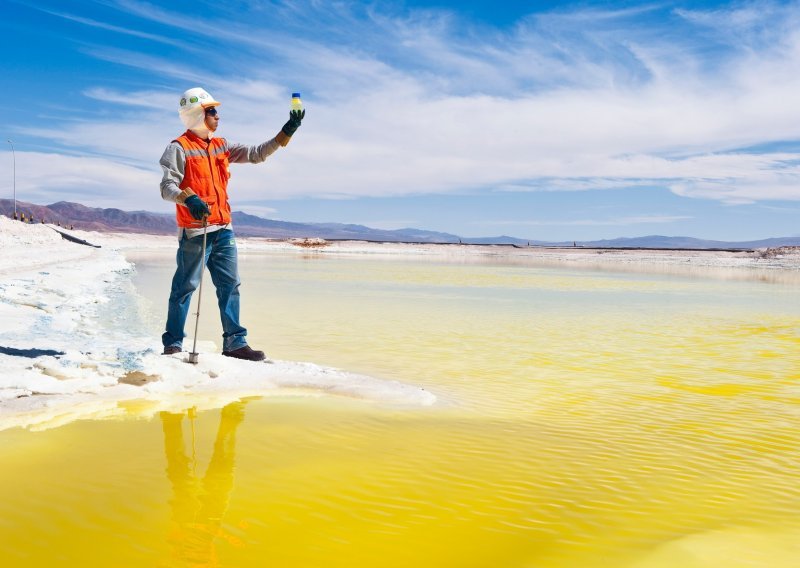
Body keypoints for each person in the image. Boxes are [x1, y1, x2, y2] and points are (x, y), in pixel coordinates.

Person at [159, 87, 304, 361]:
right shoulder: (178, 148)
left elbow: (257, 153)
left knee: (230, 286)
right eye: (211, 111)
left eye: (215, 110)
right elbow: (167, 187)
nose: (217, 115)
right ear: (197, 115)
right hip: (196, 231)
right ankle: (173, 343)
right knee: (185, 287)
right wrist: (188, 199)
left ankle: (235, 343)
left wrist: (287, 131)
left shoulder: (221, 145)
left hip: (223, 229)